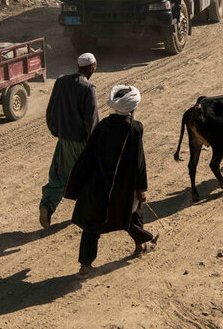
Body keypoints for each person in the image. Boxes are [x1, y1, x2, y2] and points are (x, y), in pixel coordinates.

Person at [65, 85, 156, 279]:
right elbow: (139, 161)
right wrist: (141, 188)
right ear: (132, 108)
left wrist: (77, 184)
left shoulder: (103, 125)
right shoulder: (135, 128)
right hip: (122, 188)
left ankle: (85, 267)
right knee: (131, 214)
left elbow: (88, 155)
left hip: (97, 186)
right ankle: (140, 246)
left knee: (91, 226)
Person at [39, 52, 99, 230]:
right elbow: (91, 121)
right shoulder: (89, 89)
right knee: (89, 177)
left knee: (58, 176)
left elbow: (50, 109)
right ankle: (87, 213)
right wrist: (94, 144)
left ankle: (47, 206)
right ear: (91, 68)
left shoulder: (61, 81)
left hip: (64, 140)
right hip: (82, 143)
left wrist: (55, 130)